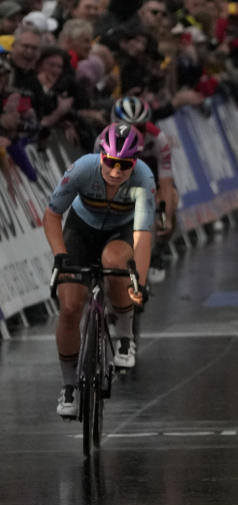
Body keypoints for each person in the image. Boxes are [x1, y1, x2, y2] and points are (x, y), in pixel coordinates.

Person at [43, 123, 156, 416]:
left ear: (136, 163)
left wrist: (139, 283)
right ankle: (68, 386)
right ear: (99, 156)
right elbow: (53, 215)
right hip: (81, 230)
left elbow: (142, 235)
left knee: (115, 262)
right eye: (110, 163)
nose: (116, 172)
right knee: (69, 307)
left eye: (125, 165)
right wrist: (59, 256)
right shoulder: (82, 168)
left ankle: (125, 338)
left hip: (121, 232)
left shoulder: (144, 179)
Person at [107, 96, 177, 283]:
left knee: (171, 203)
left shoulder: (158, 139)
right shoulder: (104, 140)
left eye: (141, 127)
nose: (136, 132)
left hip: (152, 176)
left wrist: (166, 218)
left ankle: (158, 250)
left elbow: (166, 184)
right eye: (130, 128)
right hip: (121, 175)